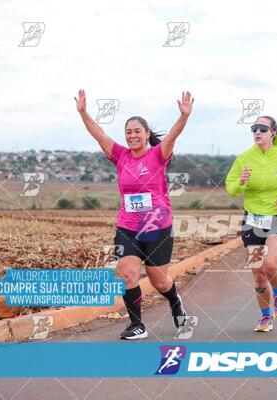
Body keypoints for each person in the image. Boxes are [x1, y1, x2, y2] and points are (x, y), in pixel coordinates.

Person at [75, 89, 194, 340]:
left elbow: (173, 135)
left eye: (137, 131)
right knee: (127, 273)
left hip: (157, 227)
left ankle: (176, 304)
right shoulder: (120, 156)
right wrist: (84, 112)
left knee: (160, 281)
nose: (132, 135)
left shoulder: (157, 154)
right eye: (128, 132)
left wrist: (183, 116)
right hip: (127, 227)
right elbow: (99, 135)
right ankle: (137, 324)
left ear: (147, 134)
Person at [225, 116, 277, 332]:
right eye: (254, 128)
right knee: (258, 272)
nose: (257, 132)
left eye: (262, 128)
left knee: (270, 264)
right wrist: (241, 182)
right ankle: (265, 317)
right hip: (253, 221)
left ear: (273, 132)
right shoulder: (244, 158)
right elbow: (230, 186)